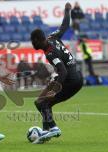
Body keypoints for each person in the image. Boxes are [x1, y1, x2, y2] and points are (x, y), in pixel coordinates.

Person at [30, 2, 83, 144]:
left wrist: (55, 89)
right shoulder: (52, 37)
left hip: (71, 80)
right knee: (39, 102)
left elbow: (63, 71)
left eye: (32, 41)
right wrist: (67, 10)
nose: (32, 44)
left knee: (45, 102)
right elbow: (65, 25)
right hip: (75, 76)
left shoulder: (50, 52)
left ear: (37, 40)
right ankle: (46, 132)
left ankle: (53, 128)